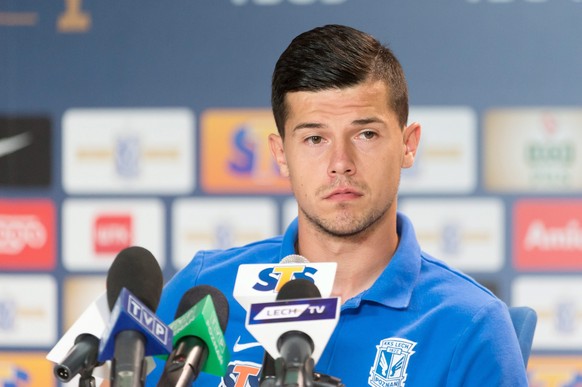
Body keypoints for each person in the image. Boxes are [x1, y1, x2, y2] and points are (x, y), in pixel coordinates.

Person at [146, 24, 528, 386]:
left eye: (365, 134)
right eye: (315, 139)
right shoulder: (205, 290)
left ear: (408, 145)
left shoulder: (470, 324)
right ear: (281, 154)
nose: (340, 162)